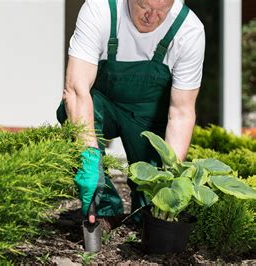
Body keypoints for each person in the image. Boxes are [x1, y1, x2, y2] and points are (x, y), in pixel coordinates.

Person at [56, 0, 205, 230]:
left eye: (162, 11)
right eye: (144, 6)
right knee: (73, 113)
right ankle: (104, 210)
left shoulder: (189, 29)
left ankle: (142, 214)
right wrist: (88, 158)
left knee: (150, 211)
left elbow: (182, 112)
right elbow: (76, 91)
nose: (152, 17)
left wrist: (170, 179)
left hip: (148, 115)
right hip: (102, 105)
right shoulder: (100, 11)